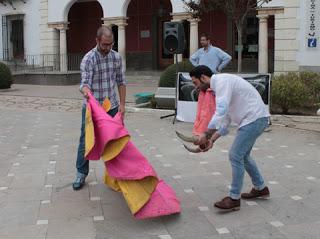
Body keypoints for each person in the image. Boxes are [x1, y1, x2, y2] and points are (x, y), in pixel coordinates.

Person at [189, 65, 270, 211]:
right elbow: (225, 120)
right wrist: (212, 139)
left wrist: (205, 134)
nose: (195, 87)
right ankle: (261, 188)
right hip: (254, 119)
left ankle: (234, 199)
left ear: (203, 77)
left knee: (235, 155)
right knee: (243, 156)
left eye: (196, 83)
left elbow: (220, 111)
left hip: (254, 119)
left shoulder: (221, 82)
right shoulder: (220, 87)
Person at [73, 26, 126, 190]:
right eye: (104, 44)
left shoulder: (116, 57)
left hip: (112, 107)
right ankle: (81, 173)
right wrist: (87, 93)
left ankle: (118, 174)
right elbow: (84, 84)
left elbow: (121, 82)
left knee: (117, 141)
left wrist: (122, 105)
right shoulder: (89, 59)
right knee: (86, 141)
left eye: (110, 44)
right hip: (92, 108)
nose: (108, 48)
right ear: (97, 41)